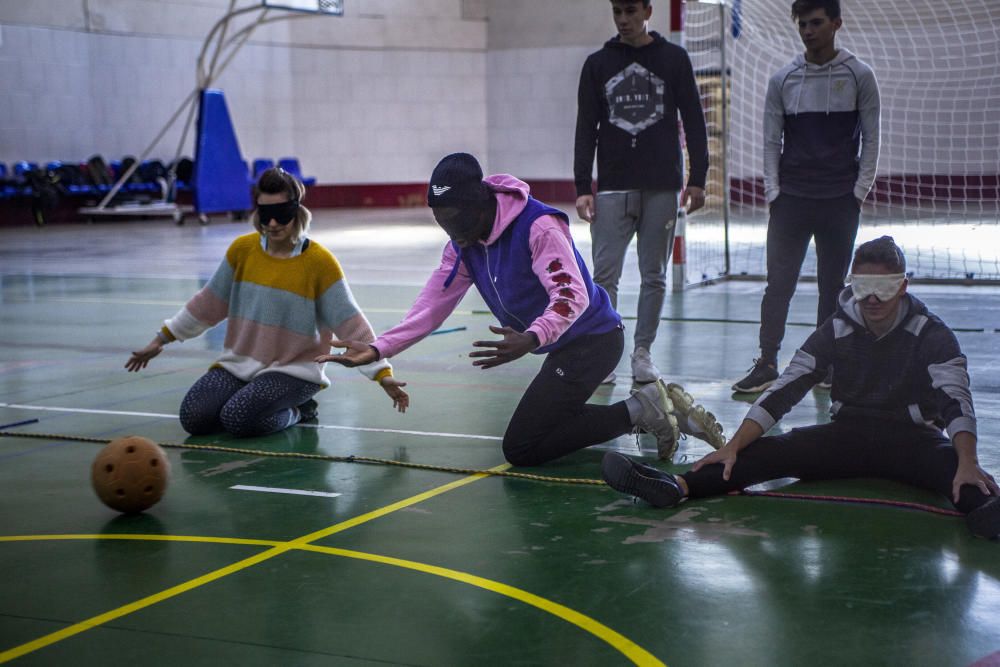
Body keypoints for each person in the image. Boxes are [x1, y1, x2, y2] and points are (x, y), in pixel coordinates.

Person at [318, 153, 725, 465]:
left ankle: (640, 409)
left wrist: (532, 337)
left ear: (480, 204)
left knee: (522, 446)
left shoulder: (538, 226)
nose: (451, 233)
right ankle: (649, 408)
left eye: (455, 220)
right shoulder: (465, 243)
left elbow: (572, 296)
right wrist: (378, 349)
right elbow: (431, 306)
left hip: (594, 342)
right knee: (538, 432)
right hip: (564, 347)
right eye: (441, 222)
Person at [603, 236, 1000, 539]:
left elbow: (955, 400)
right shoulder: (838, 328)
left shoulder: (932, 334)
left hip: (912, 440)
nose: (874, 298)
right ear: (852, 285)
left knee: (956, 469)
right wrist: (733, 445)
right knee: (768, 452)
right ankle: (676, 485)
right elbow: (788, 386)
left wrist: (967, 458)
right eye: (863, 287)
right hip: (847, 435)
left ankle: (987, 513)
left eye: (885, 286)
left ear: (903, 286)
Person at [125, 167, 408, 437]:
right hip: (240, 364)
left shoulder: (319, 262)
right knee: (194, 418)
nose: (272, 224)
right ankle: (255, 400)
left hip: (295, 372)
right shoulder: (242, 251)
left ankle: (299, 411)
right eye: (265, 214)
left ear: (297, 212)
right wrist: (160, 340)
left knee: (238, 419)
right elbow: (207, 304)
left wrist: (382, 374)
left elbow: (351, 323)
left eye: (281, 214)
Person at [733, 0, 881, 393]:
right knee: (778, 284)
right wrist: (773, 192)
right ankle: (767, 363)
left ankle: (824, 365)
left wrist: (858, 192)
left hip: (839, 201)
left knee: (832, 287)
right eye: (802, 24)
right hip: (792, 200)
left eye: (816, 23)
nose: (808, 31)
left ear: (836, 24)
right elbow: (770, 141)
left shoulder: (859, 75)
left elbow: (871, 139)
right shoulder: (783, 79)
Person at [574, 0, 709, 385]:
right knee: (604, 278)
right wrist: (583, 186)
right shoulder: (597, 65)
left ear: (648, 11)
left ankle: (642, 353)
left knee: (655, 276)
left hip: (662, 186)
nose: (623, 19)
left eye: (631, 11)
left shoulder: (673, 59)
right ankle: (603, 354)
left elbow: (695, 121)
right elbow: (586, 128)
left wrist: (698, 178)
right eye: (617, 11)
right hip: (613, 186)